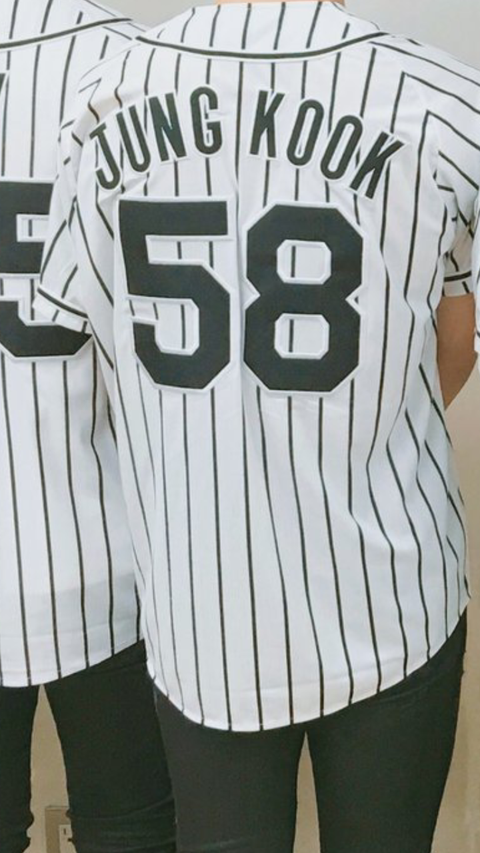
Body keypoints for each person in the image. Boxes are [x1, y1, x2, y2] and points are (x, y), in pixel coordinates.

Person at [37, 0, 480, 850]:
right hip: (390, 590)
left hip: (202, 607)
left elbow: (82, 333)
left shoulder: (100, 95)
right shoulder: (444, 98)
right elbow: (453, 343)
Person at [0, 2, 175, 852]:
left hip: (125, 567)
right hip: (116, 554)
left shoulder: (145, 66)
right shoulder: (144, 67)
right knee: (134, 831)